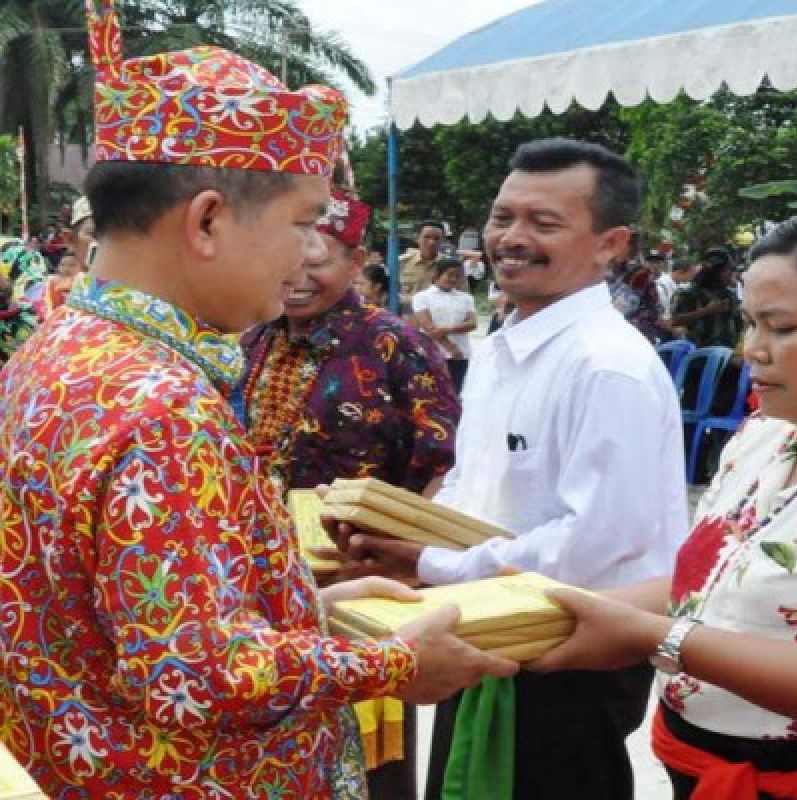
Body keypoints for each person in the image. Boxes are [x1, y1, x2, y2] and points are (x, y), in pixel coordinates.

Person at [0, 3, 515, 797]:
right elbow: (190, 674)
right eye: (304, 221)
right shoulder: (164, 406)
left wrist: (301, 602)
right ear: (206, 220)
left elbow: (119, 608)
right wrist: (395, 661)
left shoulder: (56, 355)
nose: (311, 253)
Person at [530, 208, 797, 800]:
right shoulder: (772, 432)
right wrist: (543, 609)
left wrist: (654, 637)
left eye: (781, 329)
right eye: (749, 323)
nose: (752, 350)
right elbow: (713, 583)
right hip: (700, 762)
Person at [336, 137, 691, 800]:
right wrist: (396, 538)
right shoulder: (504, 347)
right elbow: (474, 490)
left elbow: (595, 544)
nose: (512, 238)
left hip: (568, 651)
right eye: (503, 218)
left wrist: (428, 563)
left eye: (544, 223)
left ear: (612, 243)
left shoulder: (606, 366)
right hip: (482, 623)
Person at [240, 187, 459, 497]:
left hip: (353, 541)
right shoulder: (253, 335)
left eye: (314, 264)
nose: (295, 278)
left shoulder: (397, 345)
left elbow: (444, 469)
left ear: (355, 262)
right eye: (284, 261)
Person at [412, 258, 477, 392]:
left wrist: (446, 329)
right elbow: (428, 327)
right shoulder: (422, 297)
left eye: (457, 276)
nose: (453, 279)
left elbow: (472, 324)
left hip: (460, 355)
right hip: (432, 354)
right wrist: (451, 348)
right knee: (431, 394)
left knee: (454, 393)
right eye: (450, 274)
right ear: (437, 274)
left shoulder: (466, 298)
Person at [671, 249, 743, 348]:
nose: (732, 275)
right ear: (715, 272)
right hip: (699, 355)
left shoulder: (730, 294)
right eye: (728, 271)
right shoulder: (687, 293)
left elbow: (739, 324)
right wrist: (706, 311)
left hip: (728, 354)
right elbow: (675, 320)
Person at [399, 219, 444, 311]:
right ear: (417, 238)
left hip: (438, 320)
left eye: (437, 238)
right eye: (426, 237)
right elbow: (389, 295)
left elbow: (462, 296)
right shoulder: (401, 263)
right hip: (407, 319)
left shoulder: (450, 266)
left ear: (442, 240)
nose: (432, 242)